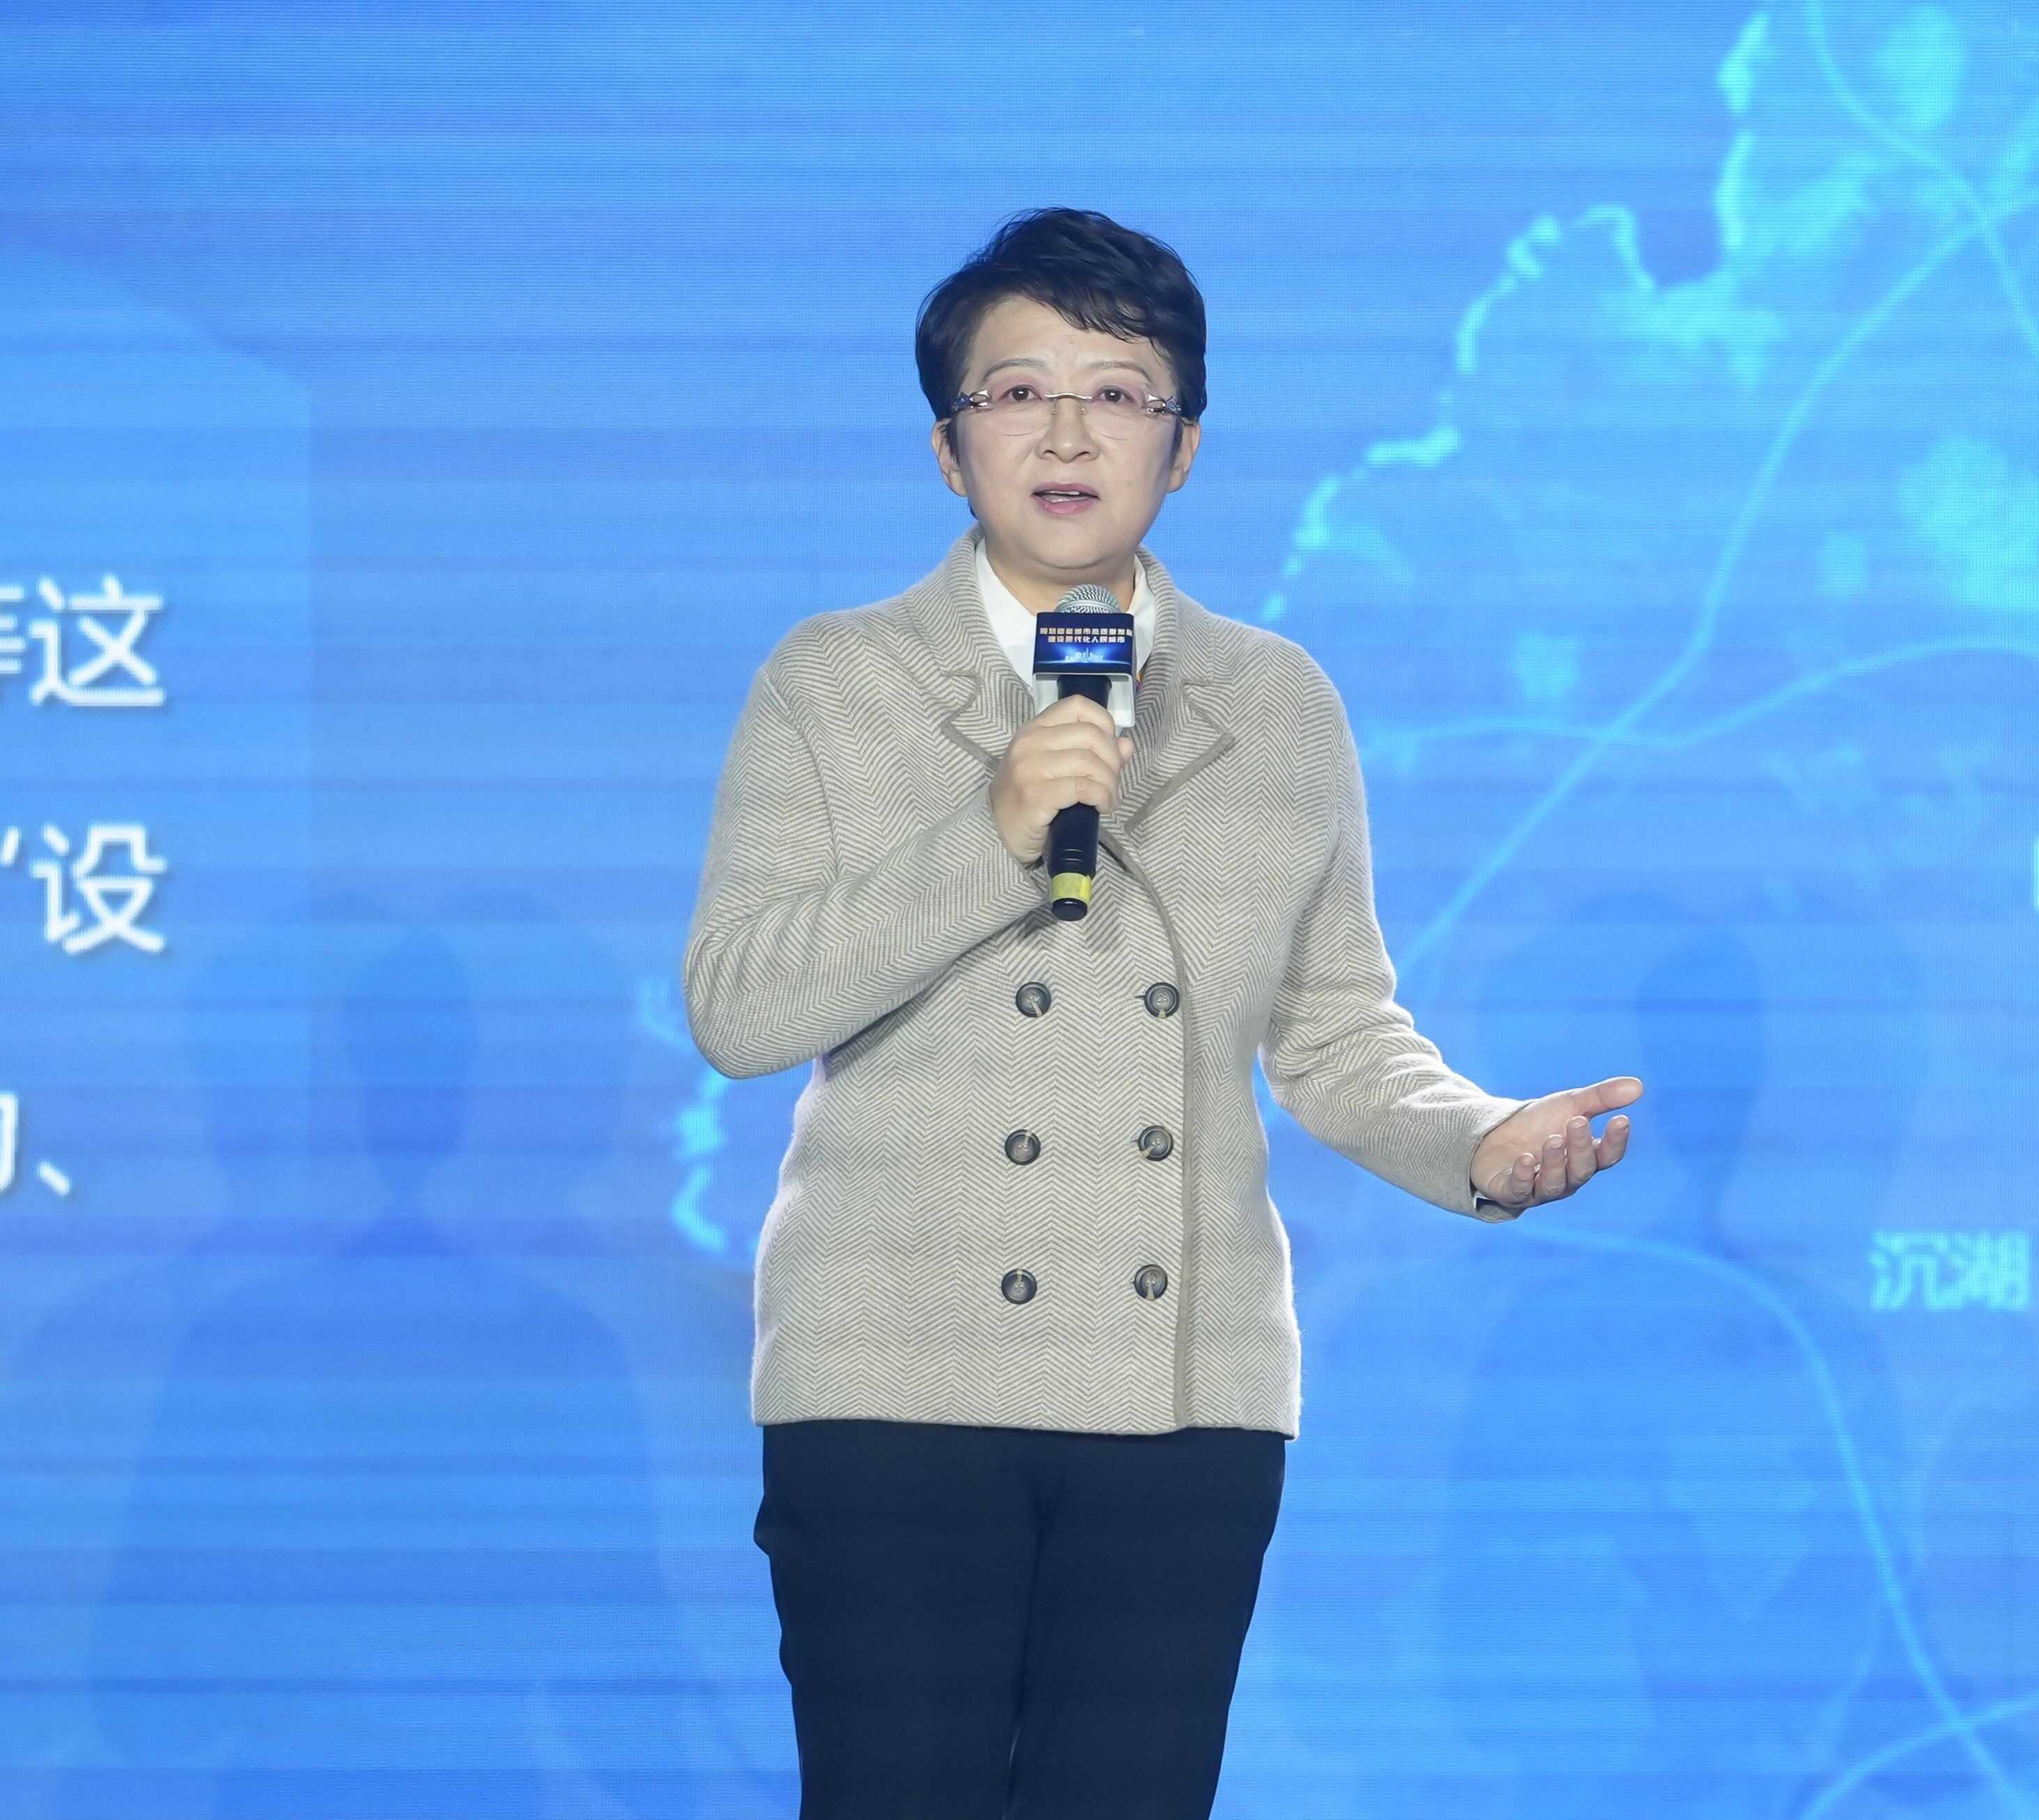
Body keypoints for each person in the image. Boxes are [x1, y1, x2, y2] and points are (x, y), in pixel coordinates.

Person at [682, 205, 1642, 1820]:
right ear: (946, 448)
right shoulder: (832, 681)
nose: (1066, 433)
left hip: (1180, 1397)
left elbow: (1336, 1032)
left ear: (1182, 448)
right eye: (1016, 392)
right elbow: (735, 1002)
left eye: (1118, 393)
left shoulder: (1276, 703)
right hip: (893, 1382)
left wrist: (1480, 1142)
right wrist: (990, 833)